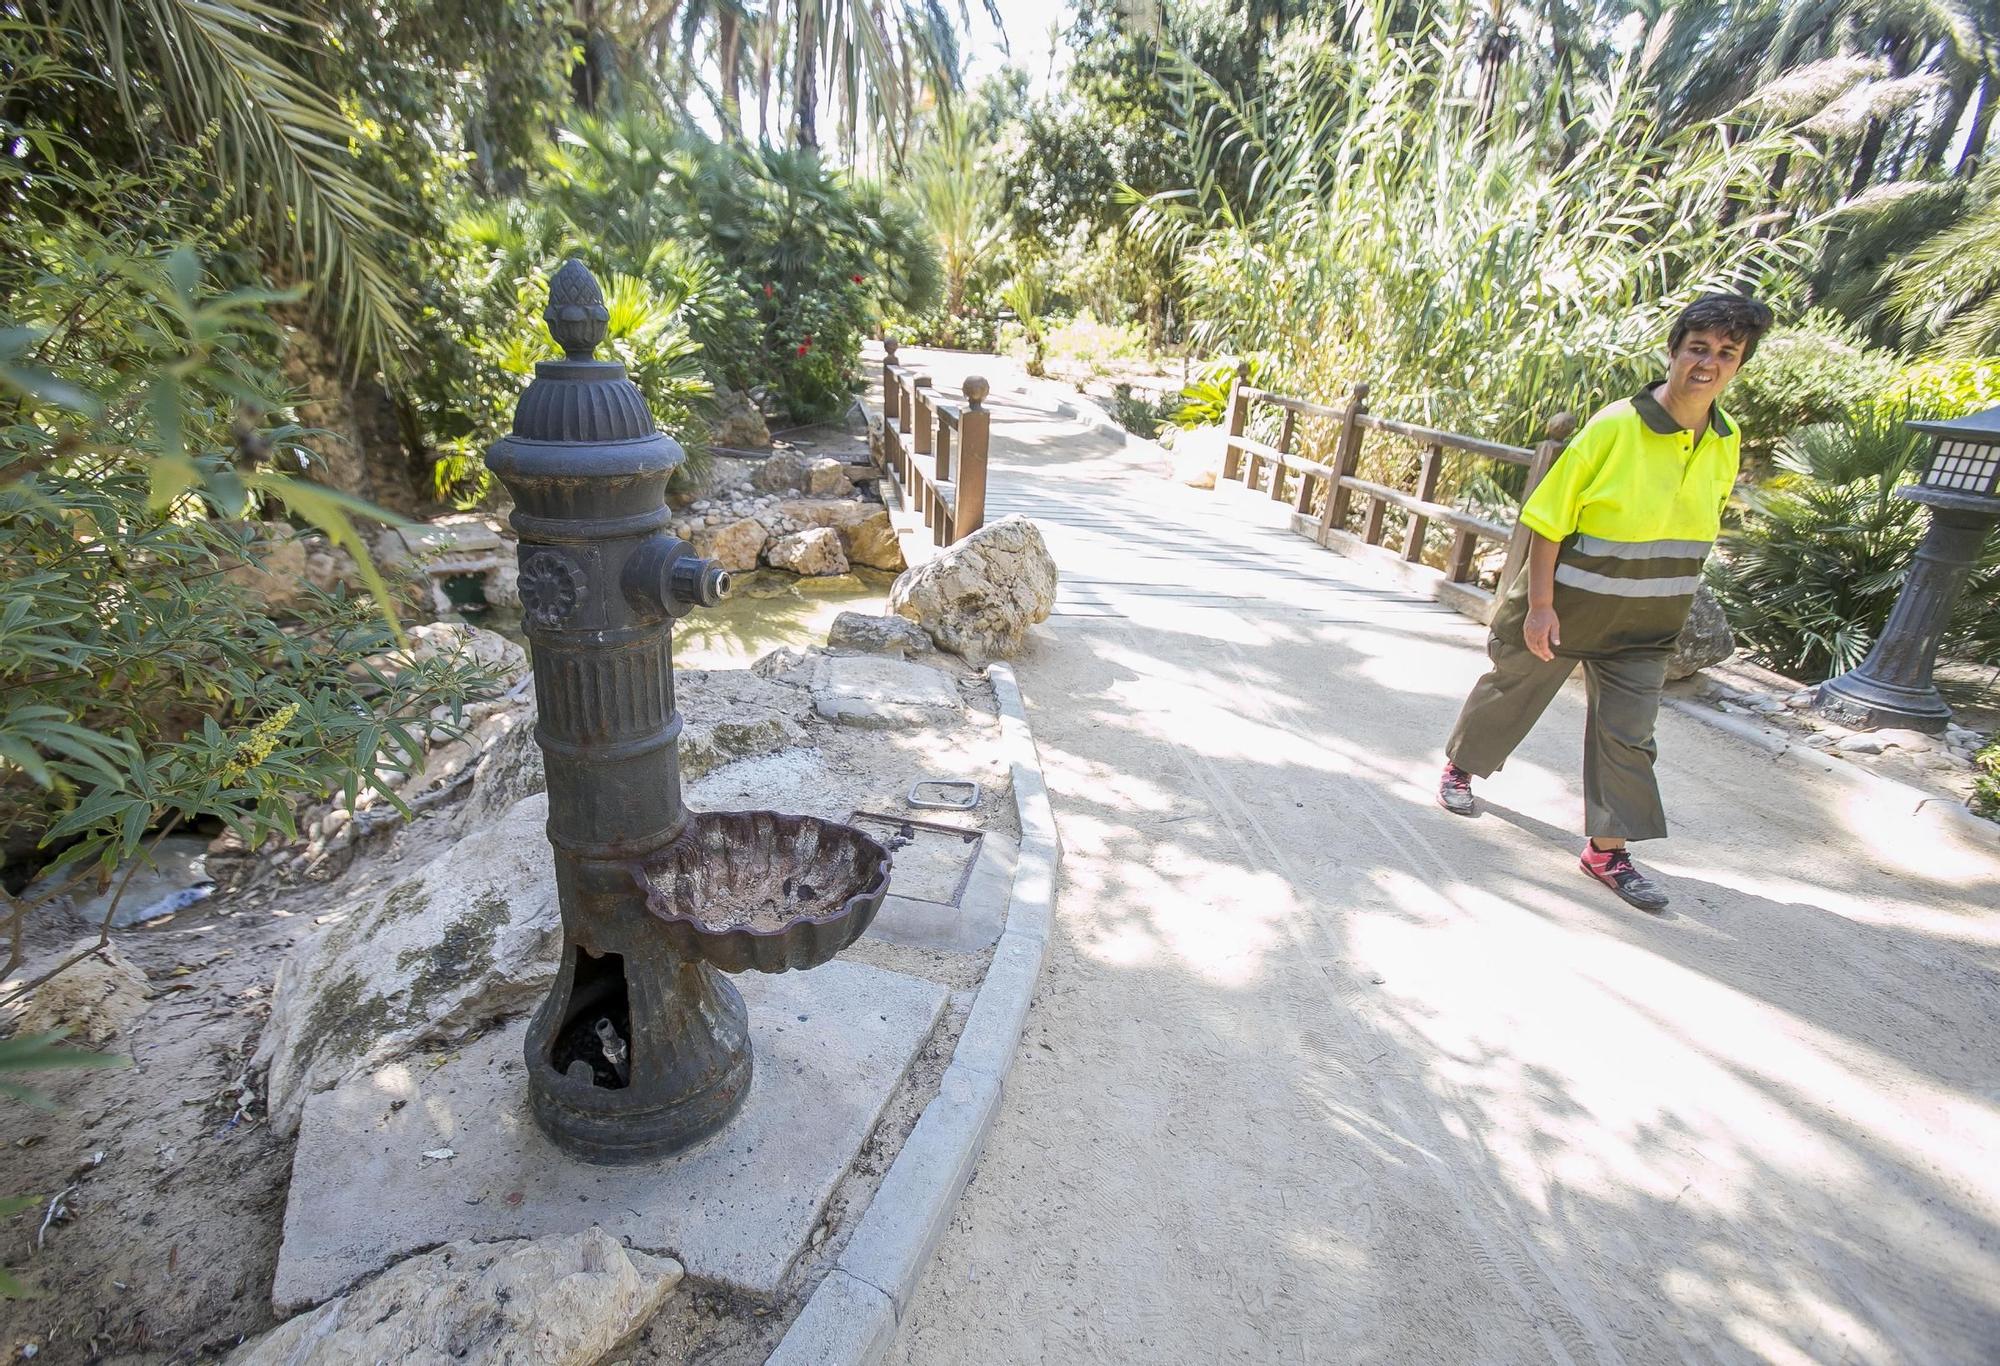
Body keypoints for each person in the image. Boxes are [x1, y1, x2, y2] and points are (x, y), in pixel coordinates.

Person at [1437, 293, 1774, 911]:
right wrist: (1540, 606)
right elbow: (1548, 518)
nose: (1709, 363)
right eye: (1698, 347)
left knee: (1630, 736)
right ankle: (1461, 766)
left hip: (1648, 622)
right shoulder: (1617, 424)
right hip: (1569, 604)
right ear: (1673, 351)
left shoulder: (1726, 438)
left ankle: (1607, 851)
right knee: (1513, 688)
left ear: (1740, 363)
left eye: (1727, 353)